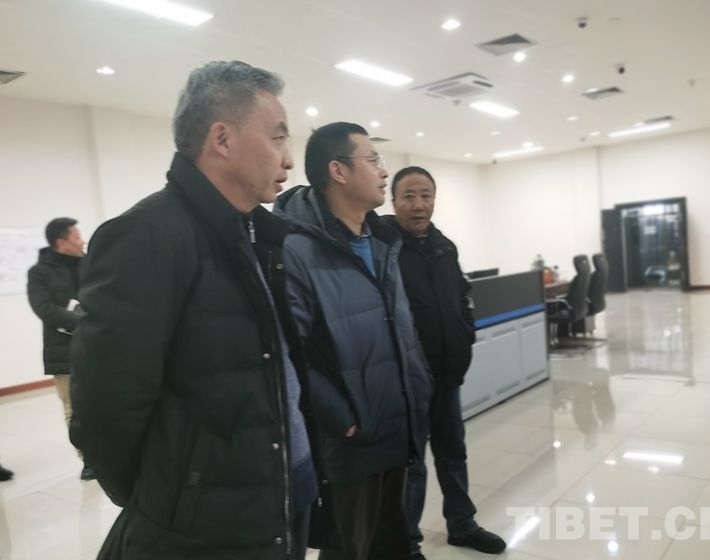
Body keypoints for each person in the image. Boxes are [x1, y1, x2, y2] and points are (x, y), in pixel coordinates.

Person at [69, 60, 318, 560]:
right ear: (222, 139)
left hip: (277, 491)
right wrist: (171, 501)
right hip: (204, 525)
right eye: (277, 138)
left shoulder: (256, 236)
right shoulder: (147, 235)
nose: (289, 159)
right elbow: (104, 409)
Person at [273, 122, 432, 560]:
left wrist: (418, 388)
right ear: (338, 171)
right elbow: (290, 352)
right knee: (350, 548)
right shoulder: (296, 250)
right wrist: (344, 420)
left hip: (397, 424)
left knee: (392, 544)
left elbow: (399, 328)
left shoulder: (381, 242)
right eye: (374, 160)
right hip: (354, 441)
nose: (384, 172)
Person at [383, 166, 506, 559]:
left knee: (453, 453)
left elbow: (462, 298)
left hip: (448, 373)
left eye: (426, 195)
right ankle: (407, 543)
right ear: (394, 201)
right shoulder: (385, 247)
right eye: (409, 196)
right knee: (413, 465)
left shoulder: (444, 247)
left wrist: (465, 335)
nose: (418, 205)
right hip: (410, 380)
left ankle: (462, 524)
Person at [27, 217, 94, 481]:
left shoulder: (90, 264)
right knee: (73, 408)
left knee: (104, 400)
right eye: (77, 236)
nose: (82, 241)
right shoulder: (39, 273)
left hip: (97, 346)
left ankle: (111, 451)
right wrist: (84, 322)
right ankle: (88, 459)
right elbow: (44, 309)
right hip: (63, 350)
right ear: (61, 242)